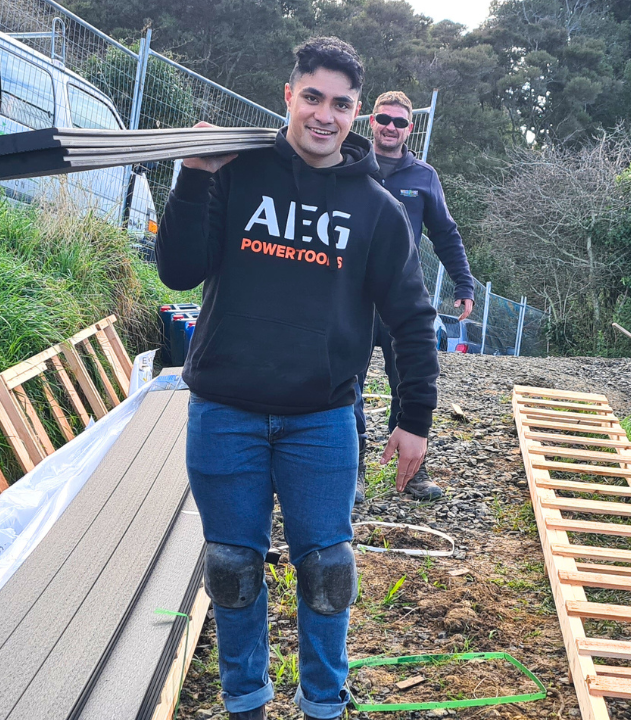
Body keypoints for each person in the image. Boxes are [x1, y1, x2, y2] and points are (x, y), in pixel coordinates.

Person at [156, 38, 439, 720]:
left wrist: (415, 418)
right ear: (289, 95)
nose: (324, 115)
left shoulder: (377, 209)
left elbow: (412, 318)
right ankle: (245, 702)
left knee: (329, 573)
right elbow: (177, 271)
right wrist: (193, 173)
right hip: (226, 411)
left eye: (341, 104)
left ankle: (322, 704)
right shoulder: (234, 174)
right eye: (311, 96)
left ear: (359, 115)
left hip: (321, 419)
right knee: (232, 569)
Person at [354, 90, 474, 504]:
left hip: (400, 302)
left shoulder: (424, 176)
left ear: (409, 127)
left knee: (408, 382)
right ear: (370, 120)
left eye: (400, 122)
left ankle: (413, 470)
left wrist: (464, 284)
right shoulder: (349, 164)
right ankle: (352, 472)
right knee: (342, 385)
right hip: (348, 297)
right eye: (384, 119)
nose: (391, 127)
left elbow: (445, 234)